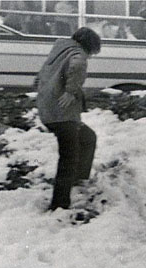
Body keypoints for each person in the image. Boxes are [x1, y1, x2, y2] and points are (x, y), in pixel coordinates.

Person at [36, 27, 101, 211]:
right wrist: (71, 91)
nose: (90, 57)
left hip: (50, 111)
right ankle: (59, 204)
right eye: (92, 52)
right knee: (68, 156)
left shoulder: (59, 52)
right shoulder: (77, 53)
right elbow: (78, 65)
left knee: (88, 138)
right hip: (62, 114)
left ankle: (79, 180)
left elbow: (39, 76)